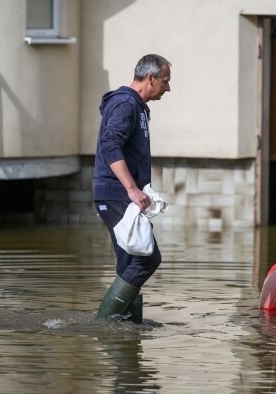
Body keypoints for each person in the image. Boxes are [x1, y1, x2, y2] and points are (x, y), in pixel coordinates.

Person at [93, 54, 172, 320]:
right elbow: (110, 145)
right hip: (119, 195)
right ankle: (104, 323)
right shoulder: (126, 104)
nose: (168, 88)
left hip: (114, 196)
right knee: (147, 258)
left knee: (129, 261)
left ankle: (128, 328)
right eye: (165, 81)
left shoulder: (135, 106)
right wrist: (128, 190)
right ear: (150, 78)